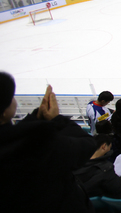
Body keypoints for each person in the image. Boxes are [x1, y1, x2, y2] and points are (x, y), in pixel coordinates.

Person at [0, 76, 96, 212]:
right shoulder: (38, 145)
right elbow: (86, 145)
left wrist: (35, 119)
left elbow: (11, 135)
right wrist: (57, 120)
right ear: (4, 112)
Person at [74, 134, 121, 198]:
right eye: (109, 147)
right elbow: (120, 188)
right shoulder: (105, 168)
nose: (109, 150)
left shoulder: (75, 163)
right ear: (104, 146)